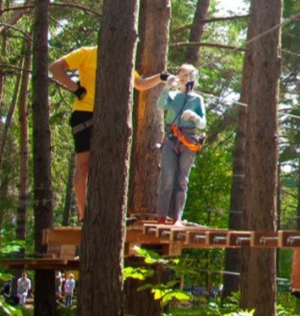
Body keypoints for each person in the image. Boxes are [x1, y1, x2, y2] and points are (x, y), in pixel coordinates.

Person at [49, 46, 168, 220]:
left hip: (111, 117)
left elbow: (140, 84)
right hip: (84, 114)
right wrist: (75, 89)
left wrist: (161, 77)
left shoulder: (123, 58)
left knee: (111, 164)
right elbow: (55, 67)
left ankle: (109, 214)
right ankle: (84, 215)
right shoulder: (87, 53)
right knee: (84, 164)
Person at [156, 63, 207, 224]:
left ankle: (176, 217)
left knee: (182, 179)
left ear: (193, 79)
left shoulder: (197, 99)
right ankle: (162, 216)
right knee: (167, 178)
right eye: (181, 74)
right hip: (171, 138)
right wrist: (166, 88)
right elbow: (160, 105)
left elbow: (203, 124)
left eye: (187, 75)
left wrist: (194, 116)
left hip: (189, 140)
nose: (183, 78)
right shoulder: (172, 95)